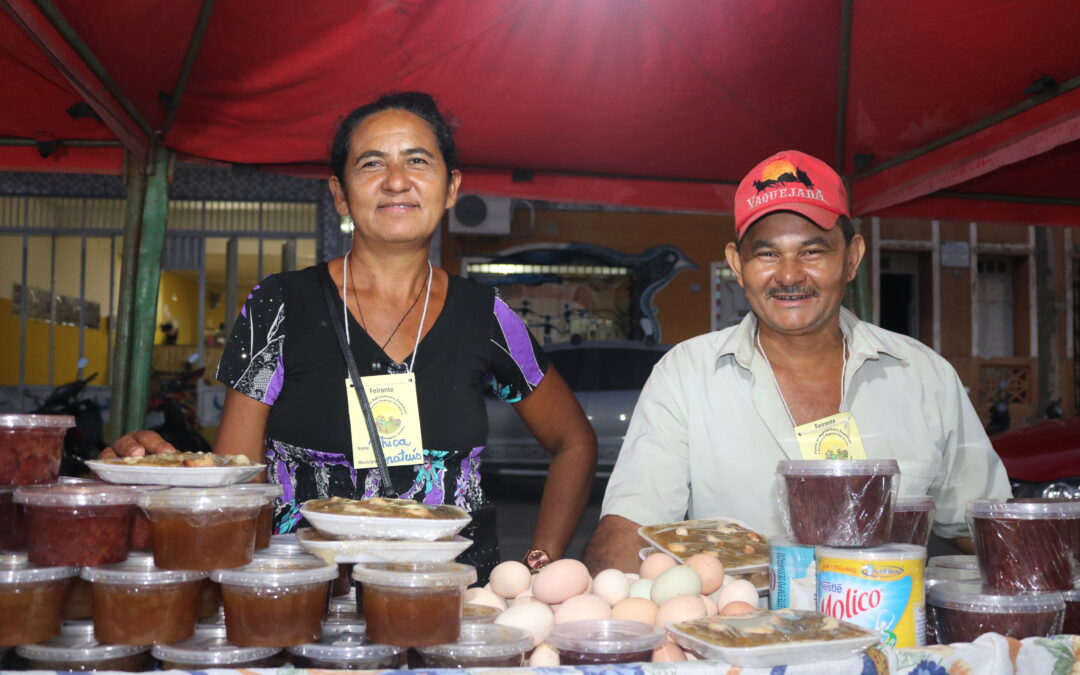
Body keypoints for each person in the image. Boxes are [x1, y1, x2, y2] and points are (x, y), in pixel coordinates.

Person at [105, 92, 598, 580]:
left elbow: (573, 441)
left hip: (453, 602)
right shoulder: (279, 304)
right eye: (371, 164)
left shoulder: (486, 316)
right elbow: (241, 472)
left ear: (451, 187)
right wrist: (175, 475)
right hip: (308, 600)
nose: (397, 181)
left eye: (418, 161)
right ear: (340, 193)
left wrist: (542, 566)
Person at [584, 150, 1011, 573]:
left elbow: (986, 529)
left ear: (851, 257)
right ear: (737, 263)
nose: (789, 276)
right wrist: (598, 609)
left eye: (812, 252)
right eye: (767, 254)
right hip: (741, 634)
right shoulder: (686, 375)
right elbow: (633, 524)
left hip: (891, 629)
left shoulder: (923, 376)